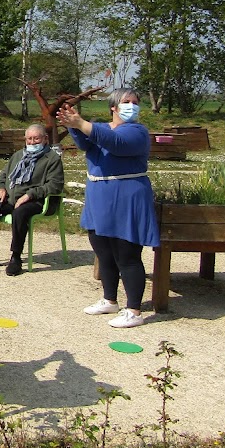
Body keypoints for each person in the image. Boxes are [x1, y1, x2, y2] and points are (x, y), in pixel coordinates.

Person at [56, 88, 159, 329]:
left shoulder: (137, 131)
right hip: (100, 196)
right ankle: (110, 299)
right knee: (104, 251)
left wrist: (82, 123)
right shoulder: (101, 128)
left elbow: (116, 143)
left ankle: (134, 309)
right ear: (113, 106)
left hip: (127, 196)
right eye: (126, 102)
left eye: (135, 102)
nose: (132, 105)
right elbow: (85, 143)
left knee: (127, 254)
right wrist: (73, 124)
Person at [0, 123, 64, 276]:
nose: (32, 142)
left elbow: (55, 185)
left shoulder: (52, 158)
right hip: (11, 199)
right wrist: (0, 188)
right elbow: (2, 176)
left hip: (38, 201)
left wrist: (30, 194)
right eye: (29, 139)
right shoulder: (18, 155)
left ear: (45, 139)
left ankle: (16, 257)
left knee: (20, 213)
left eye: (36, 139)